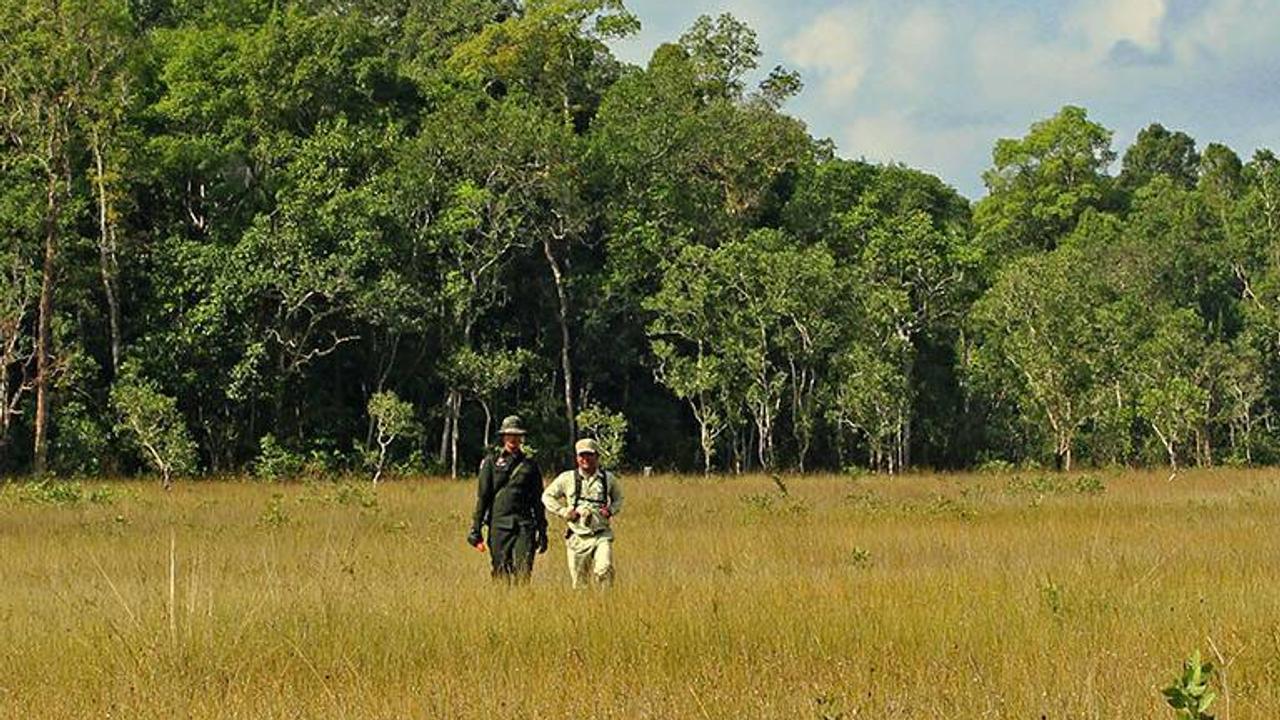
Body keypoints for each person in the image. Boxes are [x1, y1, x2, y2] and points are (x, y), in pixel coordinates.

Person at [468, 415, 547, 582]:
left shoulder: (530, 465)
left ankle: (521, 606)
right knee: (501, 571)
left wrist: (542, 530)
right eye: (510, 434)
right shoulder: (491, 462)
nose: (513, 438)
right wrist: (476, 530)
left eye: (517, 435)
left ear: (521, 438)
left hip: (524, 526)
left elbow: (538, 501)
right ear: (504, 436)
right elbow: (483, 497)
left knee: (523, 572)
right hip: (499, 526)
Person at [542, 438, 624, 588]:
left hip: (601, 534)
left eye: (589, 455)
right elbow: (547, 496)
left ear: (597, 456)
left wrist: (611, 510)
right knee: (580, 583)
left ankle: (607, 604)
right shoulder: (567, 478)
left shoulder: (608, 479)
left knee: (604, 569)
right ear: (577, 457)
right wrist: (563, 511)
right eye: (581, 455)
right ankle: (586, 609)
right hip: (577, 537)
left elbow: (618, 498)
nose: (585, 459)